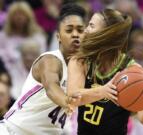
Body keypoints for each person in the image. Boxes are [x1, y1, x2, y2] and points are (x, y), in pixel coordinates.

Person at [67, 9, 143, 135]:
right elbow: (71, 98)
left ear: (106, 35)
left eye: (91, 26)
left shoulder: (133, 71)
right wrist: (102, 91)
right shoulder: (80, 60)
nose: (85, 30)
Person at [0, 3, 87, 135]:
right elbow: (52, 88)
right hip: (14, 131)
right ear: (58, 36)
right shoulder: (50, 60)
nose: (75, 35)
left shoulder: (84, 69)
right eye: (69, 30)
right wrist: (67, 102)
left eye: (80, 30)